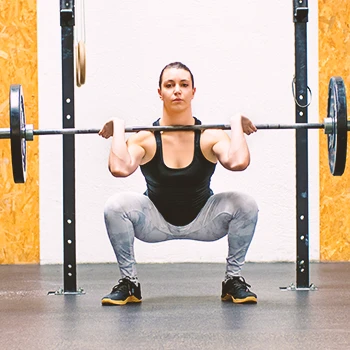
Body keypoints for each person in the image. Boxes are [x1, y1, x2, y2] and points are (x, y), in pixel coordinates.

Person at [98, 62, 259, 306]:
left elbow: (238, 162)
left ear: (193, 92)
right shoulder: (146, 138)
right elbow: (120, 168)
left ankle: (233, 280)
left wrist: (236, 123)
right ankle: (129, 284)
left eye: (184, 85)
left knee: (245, 204)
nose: (177, 90)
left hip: (204, 221)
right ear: (160, 92)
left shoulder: (209, 136)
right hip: (155, 222)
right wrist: (118, 127)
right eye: (170, 85)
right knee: (115, 206)